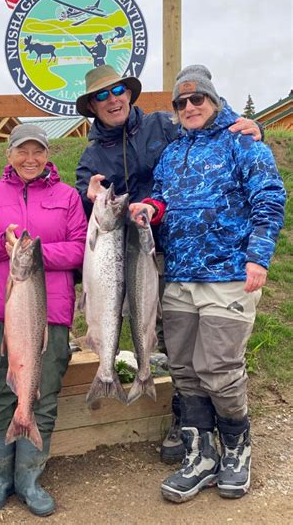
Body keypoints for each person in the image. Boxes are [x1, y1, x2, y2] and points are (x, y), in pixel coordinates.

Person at [74, 63, 263, 464]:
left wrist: (249, 126)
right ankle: (194, 426)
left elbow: (209, 133)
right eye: (103, 95)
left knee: (171, 333)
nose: (113, 99)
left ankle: (189, 420)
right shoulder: (91, 155)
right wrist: (90, 198)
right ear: (92, 105)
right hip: (122, 251)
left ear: (130, 92)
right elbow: (82, 206)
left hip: (175, 251)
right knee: (171, 345)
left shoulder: (164, 125)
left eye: (119, 90)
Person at [129, 65, 285, 503]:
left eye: (198, 99)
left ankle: (237, 449)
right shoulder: (173, 152)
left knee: (219, 369)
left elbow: (269, 198)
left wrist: (258, 257)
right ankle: (200, 455)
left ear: (213, 101)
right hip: (179, 278)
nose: (190, 107)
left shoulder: (243, 141)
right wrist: (150, 209)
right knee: (185, 371)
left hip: (230, 277)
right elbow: (161, 196)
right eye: (181, 102)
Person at [0, 124, 87, 518]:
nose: (30, 159)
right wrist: (1, 244)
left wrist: (35, 252)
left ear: (48, 155)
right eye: (22, 151)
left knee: (40, 393)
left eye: (38, 152)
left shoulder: (67, 198)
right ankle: (1, 478)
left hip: (49, 316)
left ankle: (29, 479)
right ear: (8, 153)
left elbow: (81, 250)